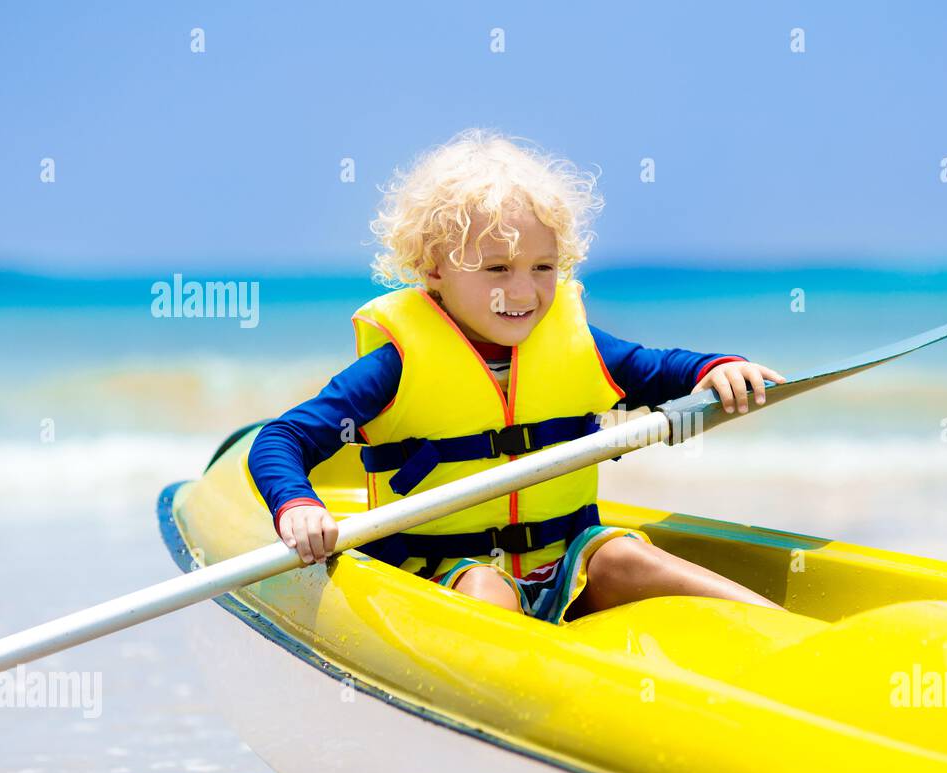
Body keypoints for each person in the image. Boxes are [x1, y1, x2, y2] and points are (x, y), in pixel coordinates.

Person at [249, 129, 788, 623]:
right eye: (497, 268)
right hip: (444, 568)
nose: (525, 292)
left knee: (625, 554)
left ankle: (780, 634)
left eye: (543, 267)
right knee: (488, 587)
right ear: (435, 267)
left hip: (566, 556)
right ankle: (514, 682)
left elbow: (662, 369)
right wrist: (297, 504)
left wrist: (719, 368)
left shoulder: (580, 346)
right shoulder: (395, 366)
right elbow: (282, 439)